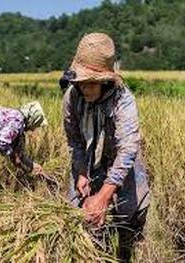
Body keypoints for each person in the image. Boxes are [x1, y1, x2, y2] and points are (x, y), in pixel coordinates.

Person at [62, 33, 151, 262]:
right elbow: (74, 141)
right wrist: (81, 172)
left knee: (130, 212)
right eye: (81, 83)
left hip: (118, 159)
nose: (85, 89)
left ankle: (125, 251)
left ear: (105, 80)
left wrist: (103, 196)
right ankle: (92, 253)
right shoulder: (72, 97)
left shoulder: (123, 101)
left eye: (92, 83)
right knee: (80, 212)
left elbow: (128, 150)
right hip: (89, 160)